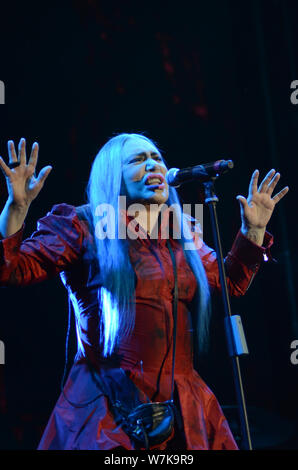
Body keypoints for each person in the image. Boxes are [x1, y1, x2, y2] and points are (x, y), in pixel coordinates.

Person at [0, 134, 289, 450]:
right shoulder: (82, 224)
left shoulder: (183, 232)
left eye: (157, 158)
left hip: (182, 401)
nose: (153, 164)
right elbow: (11, 269)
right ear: (113, 174)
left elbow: (231, 282)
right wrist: (16, 208)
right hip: (109, 401)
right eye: (138, 160)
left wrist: (253, 231)